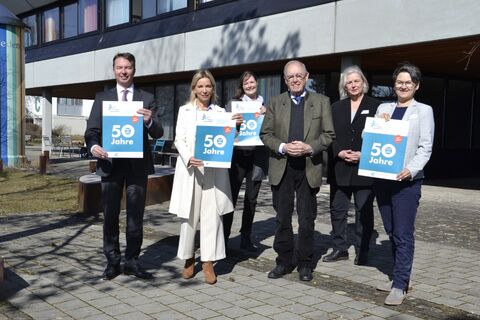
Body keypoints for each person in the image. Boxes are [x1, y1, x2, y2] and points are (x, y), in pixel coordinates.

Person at [85, 52, 163, 280]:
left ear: (134, 70)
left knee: (135, 217)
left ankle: (132, 261)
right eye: (119, 67)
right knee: (110, 216)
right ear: (114, 70)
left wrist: (149, 120)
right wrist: (94, 147)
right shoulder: (102, 98)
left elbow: (158, 132)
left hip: (137, 166)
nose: (123, 71)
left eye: (127, 67)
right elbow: (92, 131)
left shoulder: (146, 98)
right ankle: (112, 262)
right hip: (110, 164)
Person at [260, 60, 335, 282]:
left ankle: (305, 263)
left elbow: (329, 135)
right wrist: (283, 147)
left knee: (306, 219)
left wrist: (309, 147)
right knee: (282, 219)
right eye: (290, 76)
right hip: (282, 167)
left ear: (306, 76)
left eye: (299, 76)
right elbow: (266, 134)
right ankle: (283, 261)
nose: (295, 79)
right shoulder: (275, 102)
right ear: (285, 80)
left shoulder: (322, 102)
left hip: (308, 168)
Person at [168, 69, 242, 284]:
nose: (204, 90)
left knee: (212, 217)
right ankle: (189, 259)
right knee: (189, 217)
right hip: (191, 169)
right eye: (200, 86)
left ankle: (209, 262)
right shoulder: (185, 110)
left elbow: (228, 140)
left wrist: (235, 126)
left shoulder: (220, 112)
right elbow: (178, 139)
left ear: (213, 88)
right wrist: (189, 157)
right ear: (194, 89)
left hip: (213, 172)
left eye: (207, 86)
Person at [374, 62, 434, 305]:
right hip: (383, 180)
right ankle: (399, 277)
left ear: (416, 85)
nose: (403, 85)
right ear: (394, 84)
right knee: (390, 230)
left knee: (403, 233)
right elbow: (371, 138)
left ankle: (400, 284)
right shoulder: (383, 107)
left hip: (407, 182)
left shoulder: (424, 110)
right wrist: (380, 123)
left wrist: (411, 169)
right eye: (399, 81)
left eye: (408, 82)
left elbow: (425, 146)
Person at [323, 66, 381, 265]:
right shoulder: (336, 107)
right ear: (344, 86)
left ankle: (362, 250)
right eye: (349, 82)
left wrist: (363, 154)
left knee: (363, 211)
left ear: (363, 83)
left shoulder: (377, 106)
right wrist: (338, 151)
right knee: (337, 210)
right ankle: (340, 248)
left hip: (364, 167)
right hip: (340, 166)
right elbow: (329, 134)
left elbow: (381, 136)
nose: (353, 85)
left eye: (357, 81)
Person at [223, 71, 268, 252]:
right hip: (237, 158)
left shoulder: (265, 105)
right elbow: (225, 130)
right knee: (230, 199)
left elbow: (271, 131)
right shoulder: (233, 105)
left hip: (257, 158)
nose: (249, 85)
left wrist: (268, 114)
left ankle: (246, 237)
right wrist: (234, 123)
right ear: (241, 87)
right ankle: (223, 238)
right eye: (245, 83)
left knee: (251, 200)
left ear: (257, 82)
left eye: (252, 82)